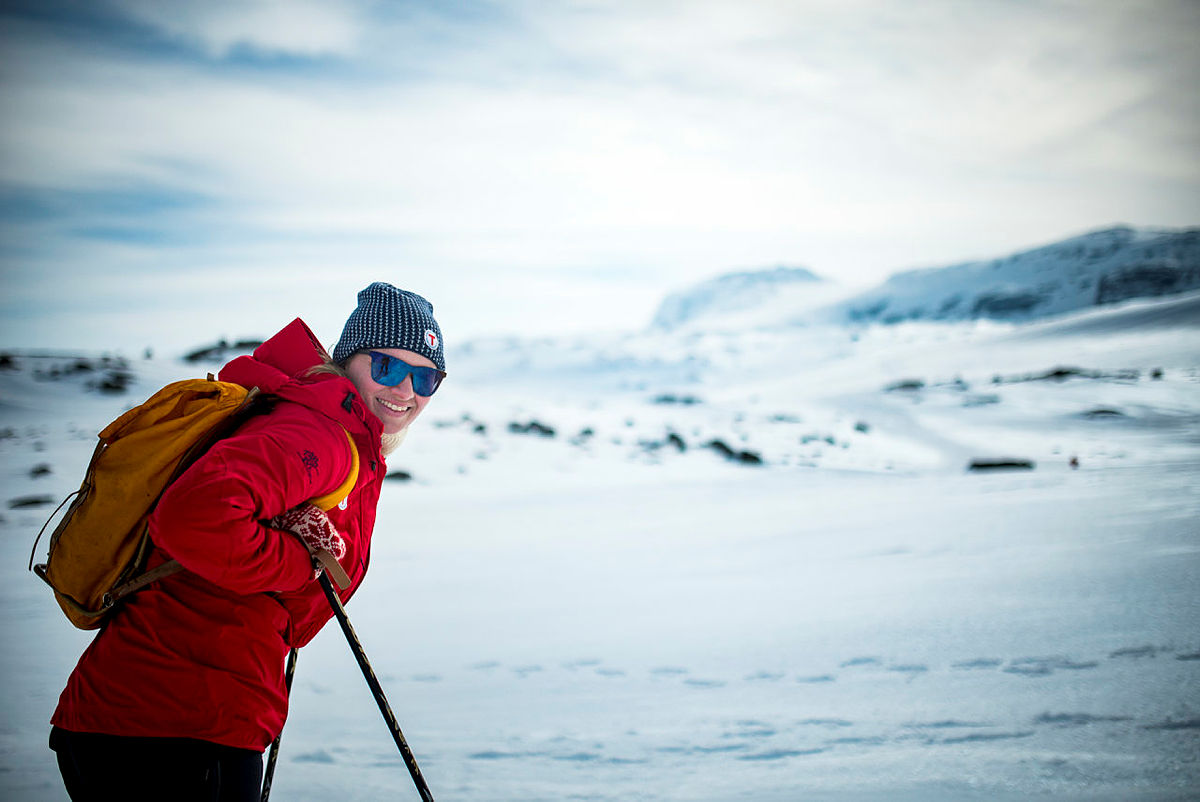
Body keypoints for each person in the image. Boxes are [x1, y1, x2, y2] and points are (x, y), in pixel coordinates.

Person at [48, 282, 446, 801]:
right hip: (169, 723)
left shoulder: (334, 430)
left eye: (427, 377)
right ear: (348, 360)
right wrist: (302, 563)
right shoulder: (318, 434)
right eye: (388, 367)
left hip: (170, 716)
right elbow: (192, 517)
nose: (406, 390)